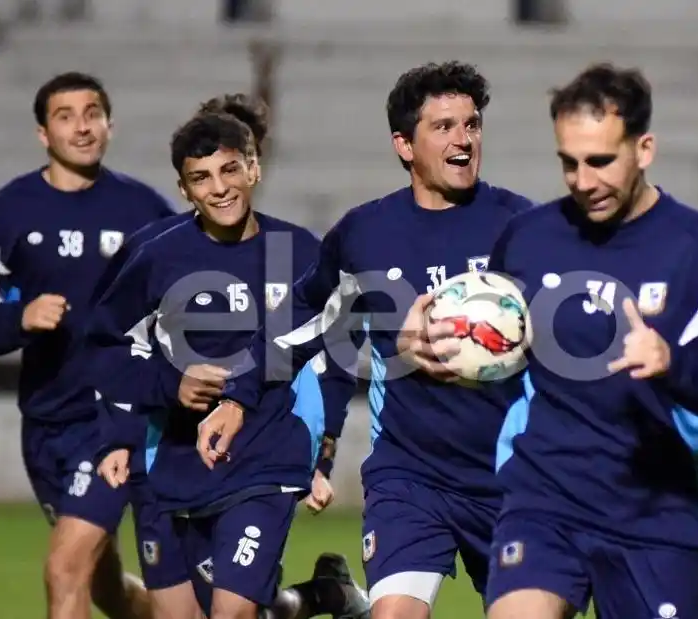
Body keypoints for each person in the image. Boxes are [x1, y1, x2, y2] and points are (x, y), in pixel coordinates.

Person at [417, 63, 698, 619]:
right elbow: (494, 352)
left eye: (601, 161)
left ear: (645, 148)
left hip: (654, 518)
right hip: (542, 500)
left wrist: (672, 364)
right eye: (569, 162)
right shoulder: (529, 240)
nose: (584, 180)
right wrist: (435, 350)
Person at [199, 61, 534, 619]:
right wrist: (238, 394)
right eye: (444, 126)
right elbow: (301, 318)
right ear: (404, 144)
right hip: (412, 475)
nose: (464, 139)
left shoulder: (522, 226)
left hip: (512, 475)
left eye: (471, 124)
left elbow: (568, 332)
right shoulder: (365, 234)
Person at [91, 95, 369, 619]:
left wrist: (323, 455)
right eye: (201, 178)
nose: (219, 188)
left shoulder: (303, 253)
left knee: (233, 612)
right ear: (184, 188)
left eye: (229, 170)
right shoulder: (158, 256)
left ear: (254, 167)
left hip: (267, 458)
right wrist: (166, 390)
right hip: (177, 459)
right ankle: (320, 597)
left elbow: (335, 354)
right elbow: (104, 348)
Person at [0, 72, 177, 619]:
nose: (82, 126)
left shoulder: (145, 212)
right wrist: (17, 317)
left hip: (117, 421)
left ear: (109, 126)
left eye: (92, 113)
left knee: (65, 567)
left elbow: (195, 292)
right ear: (44, 134)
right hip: (48, 421)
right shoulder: (10, 212)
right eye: (65, 116)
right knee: (105, 589)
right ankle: (290, 606)